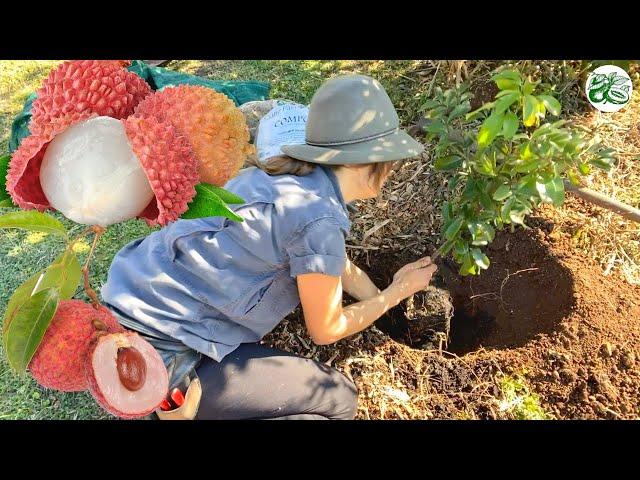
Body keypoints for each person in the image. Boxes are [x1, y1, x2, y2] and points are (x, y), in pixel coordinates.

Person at [101, 74, 438, 420]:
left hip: (128, 302)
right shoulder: (318, 222)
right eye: (391, 157)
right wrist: (395, 294)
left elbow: (330, 261)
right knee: (338, 400)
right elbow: (326, 330)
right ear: (361, 160)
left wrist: (376, 297)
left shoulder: (281, 179)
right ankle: (176, 401)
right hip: (161, 352)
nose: (394, 168)